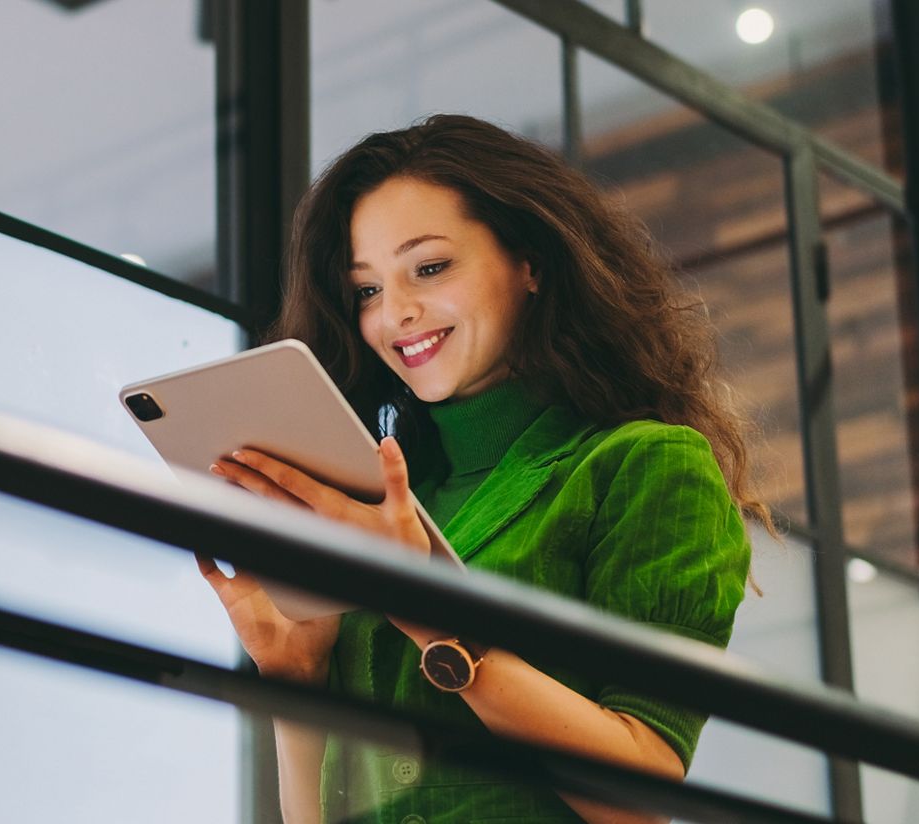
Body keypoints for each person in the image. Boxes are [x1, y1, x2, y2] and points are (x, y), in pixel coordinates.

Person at [196, 114, 773, 824]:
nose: (396, 314)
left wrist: (434, 619)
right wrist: (295, 677)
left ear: (530, 261)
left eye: (430, 268)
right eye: (367, 290)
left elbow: (640, 791)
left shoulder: (643, 465)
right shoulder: (386, 501)